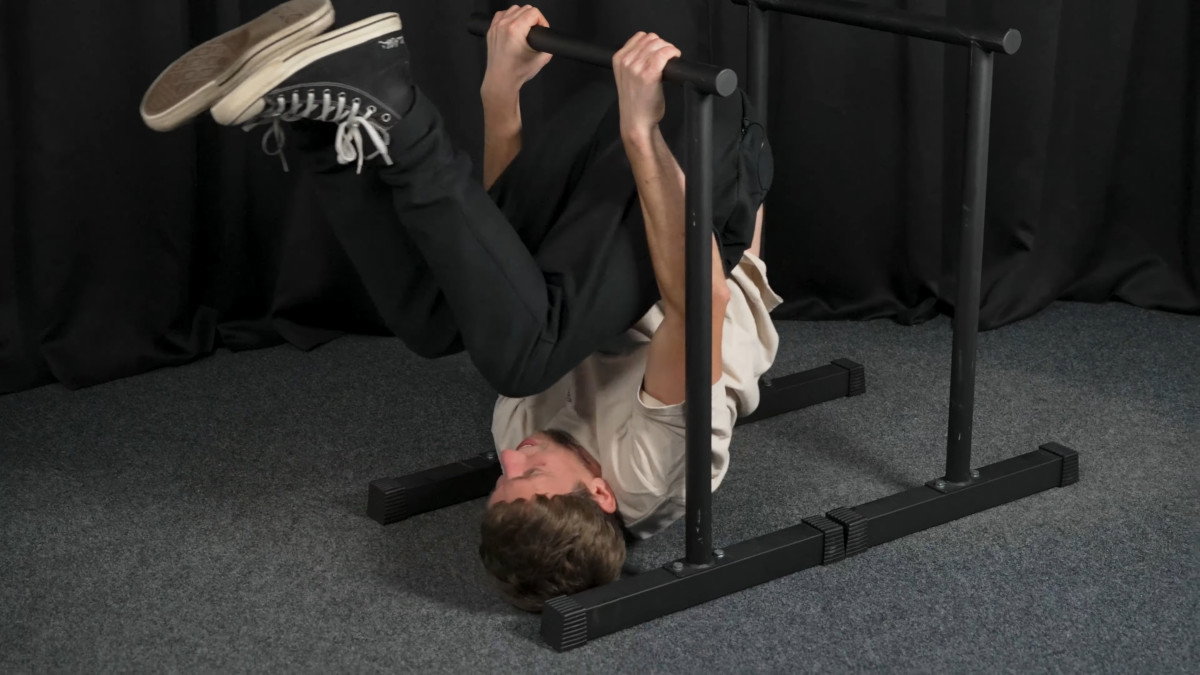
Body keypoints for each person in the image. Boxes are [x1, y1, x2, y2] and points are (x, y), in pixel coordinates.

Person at [142, 2, 780, 612]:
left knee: (435, 323)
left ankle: (321, 131)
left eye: (501, 481)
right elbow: (696, 298)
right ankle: (397, 103)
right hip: (701, 163)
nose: (511, 459)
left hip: (608, 169)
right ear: (602, 492)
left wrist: (499, 91)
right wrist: (641, 128)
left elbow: (500, 257)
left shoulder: (517, 442)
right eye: (529, 474)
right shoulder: (651, 472)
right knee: (520, 363)